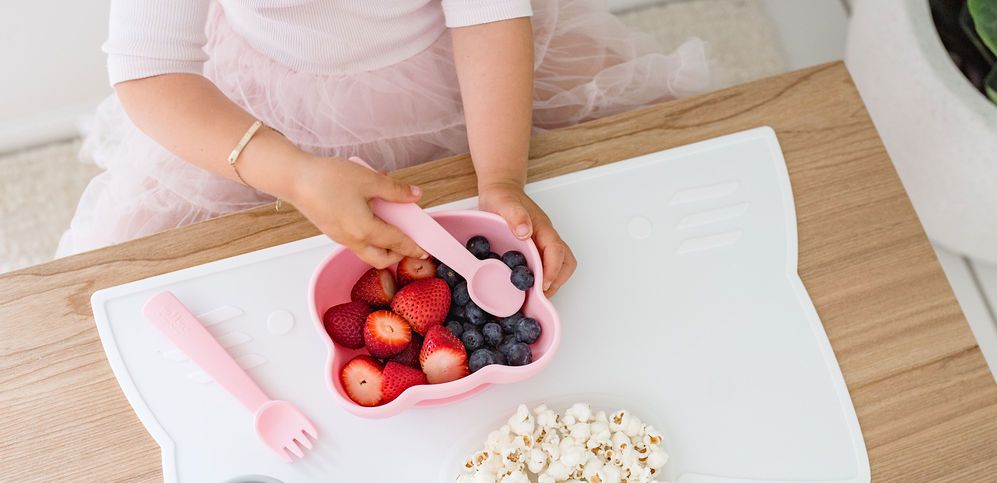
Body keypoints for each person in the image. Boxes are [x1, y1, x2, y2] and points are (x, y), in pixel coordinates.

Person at [58, 0, 708, 295]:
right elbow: (150, 70)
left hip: (450, 70)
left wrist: (503, 177)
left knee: (657, 159)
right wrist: (290, 172)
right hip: (257, 106)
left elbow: (485, 17)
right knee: (123, 276)